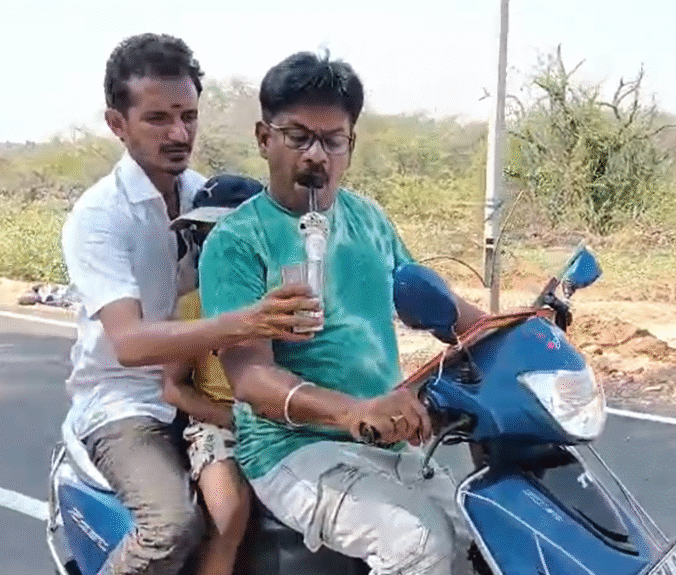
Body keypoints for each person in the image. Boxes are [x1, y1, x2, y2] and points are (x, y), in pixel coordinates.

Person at [196, 51, 490, 575]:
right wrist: (351, 412)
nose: (317, 155)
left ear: (350, 146)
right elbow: (252, 379)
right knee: (416, 544)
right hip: (291, 449)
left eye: (333, 141)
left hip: (383, 439)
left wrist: (516, 327)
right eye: (298, 137)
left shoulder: (367, 219)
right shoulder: (238, 240)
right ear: (264, 138)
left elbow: (431, 302)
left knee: (482, 534)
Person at [60, 34, 321, 575]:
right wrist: (244, 322)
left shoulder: (210, 197)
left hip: (213, 389)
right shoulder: (100, 217)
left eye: (188, 116)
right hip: (126, 403)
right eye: (158, 119)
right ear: (117, 124)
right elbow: (130, 344)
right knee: (172, 526)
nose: (179, 134)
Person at [163, 174, 317, 575]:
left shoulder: (292, 301)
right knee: (230, 513)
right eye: (206, 236)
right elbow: (172, 388)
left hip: (287, 418)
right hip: (221, 423)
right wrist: (229, 417)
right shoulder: (194, 308)